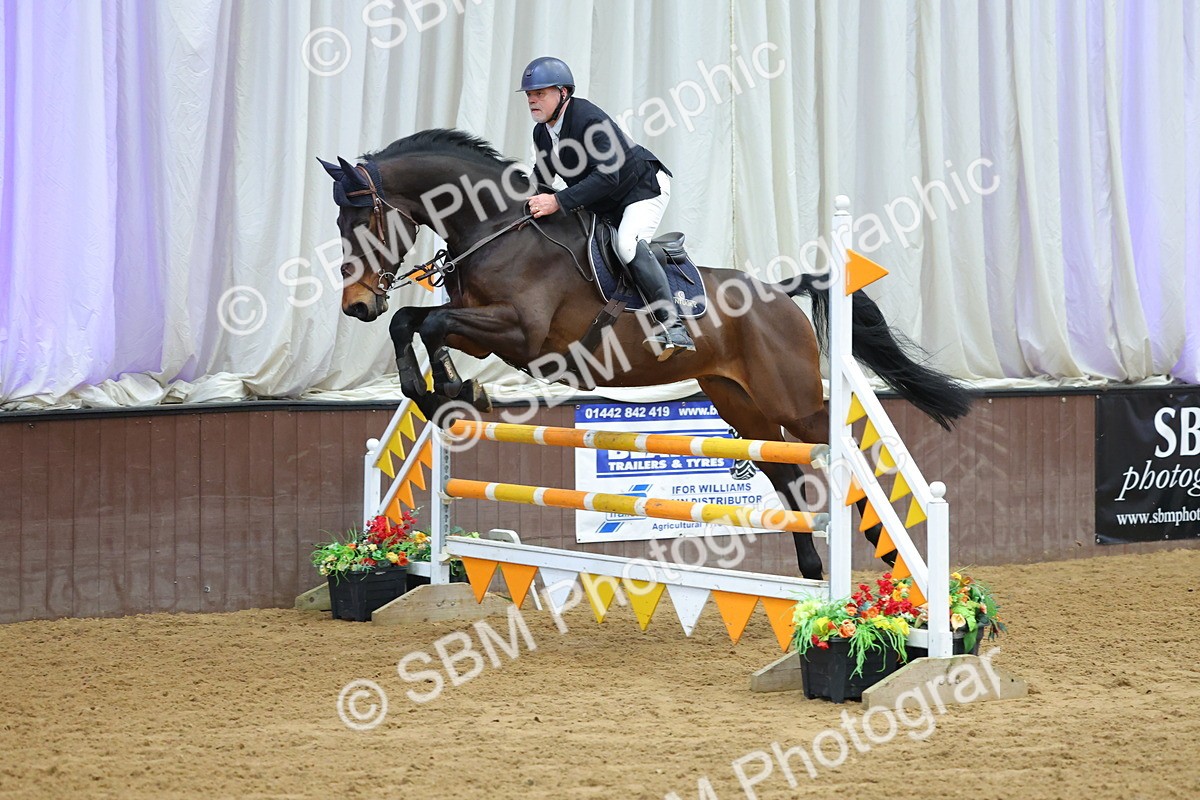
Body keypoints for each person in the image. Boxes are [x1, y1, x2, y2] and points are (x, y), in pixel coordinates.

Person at [519, 56, 696, 360]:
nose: (533, 100)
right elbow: (544, 180)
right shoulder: (541, 133)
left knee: (627, 243)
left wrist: (559, 201)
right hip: (604, 201)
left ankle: (673, 326)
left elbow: (608, 176)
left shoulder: (589, 120)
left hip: (642, 188)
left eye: (541, 93)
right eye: (530, 95)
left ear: (563, 93)